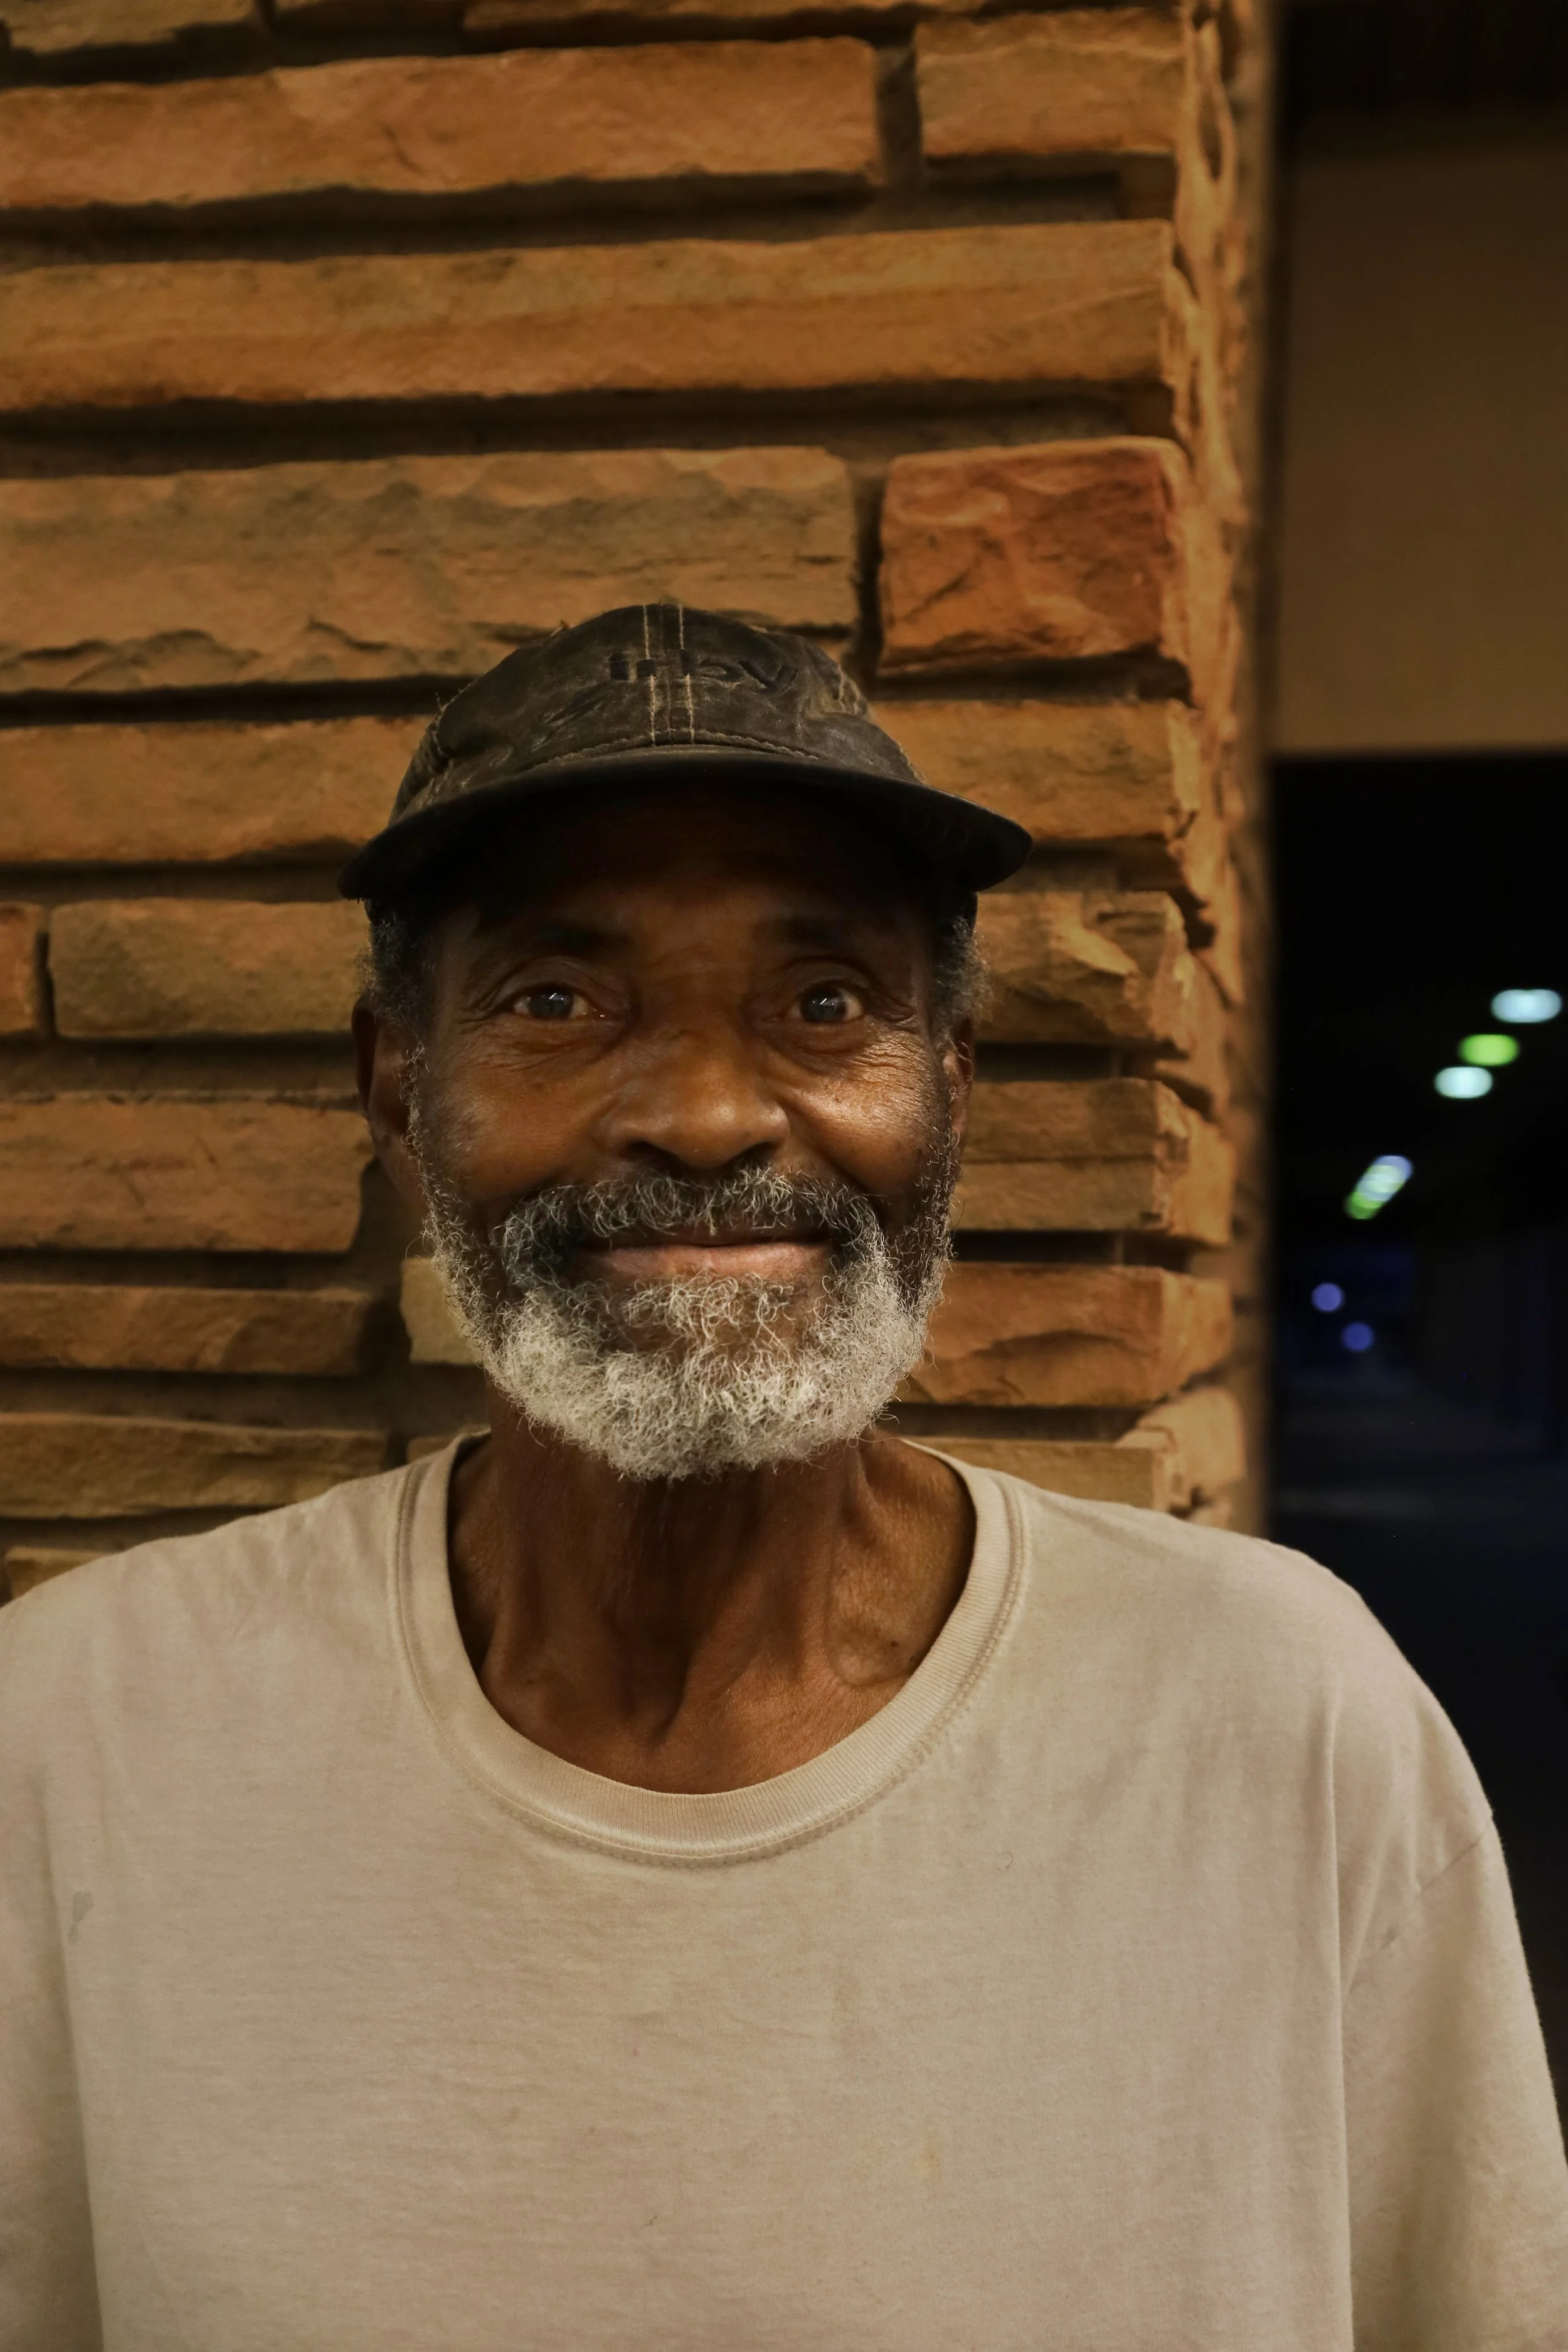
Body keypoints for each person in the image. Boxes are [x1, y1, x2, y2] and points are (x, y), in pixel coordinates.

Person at [2, 603, 1564, 2351]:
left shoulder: (1283, 1715)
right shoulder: (82, 1733)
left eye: (823, 1003)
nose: (703, 1113)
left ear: (950, 1089)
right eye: (554, 999)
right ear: (397, 1085)